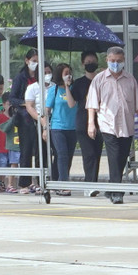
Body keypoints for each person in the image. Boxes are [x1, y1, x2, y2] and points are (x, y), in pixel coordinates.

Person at [87, 46, 138, 204]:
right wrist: (91, 123)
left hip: (127, 124)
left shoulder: (130, 79)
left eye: (118, 61)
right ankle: (118, 193)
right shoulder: (100, 79)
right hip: (107, 123)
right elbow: (92, 103)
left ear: (123, 61)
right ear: (107, 60)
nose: (115, 64)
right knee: (113, 155)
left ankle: (111, 188)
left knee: (122, 157)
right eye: (112, 61)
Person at [42, 63, 78, 194]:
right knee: (61, 154)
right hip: (57, 127)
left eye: (70, 72)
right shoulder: (54, 90)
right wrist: (45, 128)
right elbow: (47, 110)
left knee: (68, 156)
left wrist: (68, 87)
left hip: (72, 128)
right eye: (65, 73)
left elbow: (71, 104)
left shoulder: (73, 88)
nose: (68, 75)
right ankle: (63, 183)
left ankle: (58, 180)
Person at [10, 50, 42, 192]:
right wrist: (27, 104)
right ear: (27, 60)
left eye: (38, 61)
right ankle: (24, 183)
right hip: (25, 118)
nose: (36, 64)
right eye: (33, 60)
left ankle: (41, 181)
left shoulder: (41, 76)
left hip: (40, 116)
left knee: (40, 150)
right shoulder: (20, 77)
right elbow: (12, 98)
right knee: (26, 150)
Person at [72, 52, 102, 192]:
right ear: (83, 64)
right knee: (88, 154)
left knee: (96, 154)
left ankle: (93, 183)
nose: (91, 63)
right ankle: (89, 185)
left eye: (93, 61)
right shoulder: (78, 83)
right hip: (83, 123)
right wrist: (67, 85)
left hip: (100, 122)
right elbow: (72, 102)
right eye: (88, 61)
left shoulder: (102, 80)